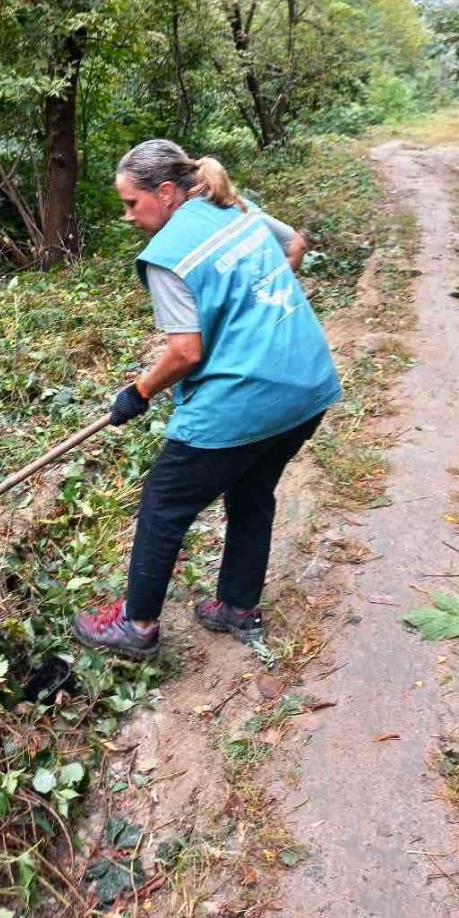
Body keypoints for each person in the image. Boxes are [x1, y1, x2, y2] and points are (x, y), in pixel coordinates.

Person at [72, 139, 341, 660]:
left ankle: (138, 624)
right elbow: (296, 246)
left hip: (249, 397)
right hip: (307, 384)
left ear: (167, 192)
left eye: (132, 203)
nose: (129, 216)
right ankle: (237, 607)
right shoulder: (234, 208)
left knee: (164, 504)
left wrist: (139, 392)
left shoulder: (167, 256)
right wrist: (256, 309)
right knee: (252, 490)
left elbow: (186, 353)